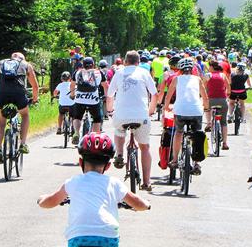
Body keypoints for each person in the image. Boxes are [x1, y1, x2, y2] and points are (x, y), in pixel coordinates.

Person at [106, 50, 158, 191]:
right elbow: (155, 94)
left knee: (118, 128)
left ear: (125, 61)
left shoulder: (119, 73)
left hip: (122, 115)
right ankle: (146, 182)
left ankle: (120, 154)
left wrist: (110, 111)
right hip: (142, 115)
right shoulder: (144, 73)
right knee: (145, 147)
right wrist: (151, 111)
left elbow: (110, 95)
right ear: (138, 61)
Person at [164, 57, 209, 175]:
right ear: (192, 69)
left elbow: (168, 96)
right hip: (196, 111)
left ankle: (174, 160)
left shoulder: (176, 79)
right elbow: (205, 97)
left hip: (180, 110)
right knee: (197, 134)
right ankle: (197, 163)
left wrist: (167, 107)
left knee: (178, 132)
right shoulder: (198, 79)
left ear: (180, 69)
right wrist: (206, 107)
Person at [0, 52, 39, 163]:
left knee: (1, 122)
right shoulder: (26, 64)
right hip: (18, 94)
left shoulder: (1, 63)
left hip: (1, 93)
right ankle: (23, 144)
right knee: (25, 115)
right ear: (22, 58)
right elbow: (35, 86)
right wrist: (34, 99)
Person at [70, 56, 107, 144]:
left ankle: (76, 133)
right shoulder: (99, 72)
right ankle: (95, 138)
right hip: (93, 100)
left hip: (79, 99)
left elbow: (72, 85)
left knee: (77, 117)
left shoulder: (78, 72)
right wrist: (105, 96)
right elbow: (105, 86)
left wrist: (72, 95)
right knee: (97, 119)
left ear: (83, 65)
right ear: (93, 65)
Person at [205, 60, 231, 150]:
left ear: (212, 67)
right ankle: (225, 143)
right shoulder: (223, 75)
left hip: (211, 100)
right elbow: (228, 87)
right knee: (224, 122)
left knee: (206, 109)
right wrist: (227, 95)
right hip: (222, 100)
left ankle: (208, 123)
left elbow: (204, 88)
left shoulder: (208, 75)